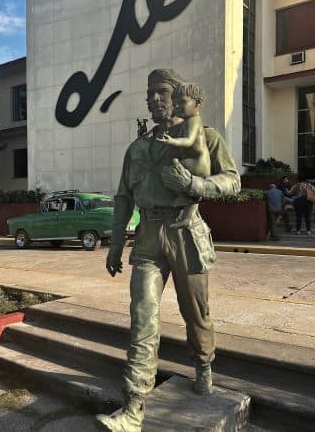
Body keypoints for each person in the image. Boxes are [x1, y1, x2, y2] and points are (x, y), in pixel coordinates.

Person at [96, 69, 240, 432]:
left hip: (186, 232)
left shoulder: (205, 137)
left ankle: (204, 366)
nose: (154, 99)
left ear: (177, 97)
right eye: (150, 94)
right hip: (147, 239)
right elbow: (123, 198)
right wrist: (115, 243)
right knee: (142, 320)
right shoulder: (138, 148)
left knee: (197, 314)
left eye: (161, 92)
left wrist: (193, 184)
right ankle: (133, 407)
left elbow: (232, 180)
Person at [155, 81, 210, 229]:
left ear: (198, 103)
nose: (177, 106)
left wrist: (171, 141)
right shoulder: (186, 122)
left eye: (182, 102)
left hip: (198, 163)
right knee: (192, 194)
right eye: (176, 103)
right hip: (197, 162)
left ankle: (181, 197)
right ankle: (187, 215)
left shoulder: (194, 120)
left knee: (171, 165)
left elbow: (188, 141)